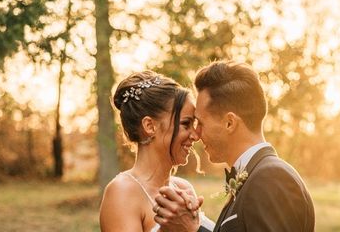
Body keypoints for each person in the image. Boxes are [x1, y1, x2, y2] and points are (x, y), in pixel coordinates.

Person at [152, 60, 315, 232]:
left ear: (229, 123)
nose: (196, 134)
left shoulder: (270, 178)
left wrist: (192, 229)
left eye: (200, 123)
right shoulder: (253, 177)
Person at [99, 71, 215, 232]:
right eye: (186, 124)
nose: (195, 135)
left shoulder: (183, 188)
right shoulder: (122, 192)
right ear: (149, 126)